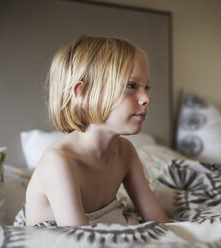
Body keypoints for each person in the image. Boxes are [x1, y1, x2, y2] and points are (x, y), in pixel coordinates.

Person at [23, 35, 169, 226]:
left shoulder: (125, 151)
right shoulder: (60, 162)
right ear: (83, 93)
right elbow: (80, 240)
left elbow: (160, 223)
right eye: (131, 86)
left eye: (146, 87)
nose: (146, 98)